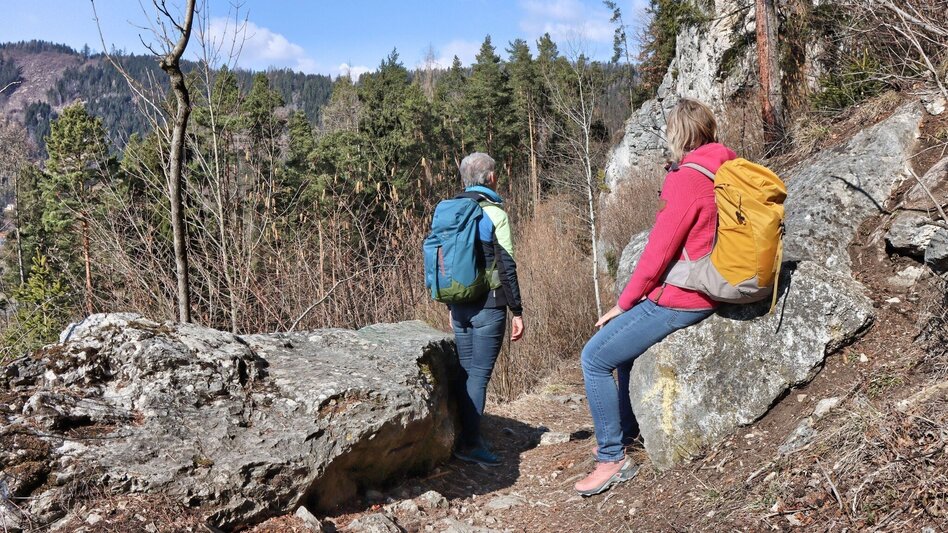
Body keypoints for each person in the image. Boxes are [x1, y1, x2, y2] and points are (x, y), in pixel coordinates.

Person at [575, 99, 733, 496]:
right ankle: (628, 431)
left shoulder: (688, 178)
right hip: (714, 284)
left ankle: (612, 458)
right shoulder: (727, 165)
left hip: (684, 297)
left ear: (677, 134)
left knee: (594, 358)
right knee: (622, 353)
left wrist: (624, 303)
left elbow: (658, 253)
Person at [449, 152, 525, 467]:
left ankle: (461, 437)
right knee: (478, 376)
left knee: (466, 373)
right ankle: (471, 444)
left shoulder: (451, 211)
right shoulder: (494, 214)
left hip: (458, 304)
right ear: (491, 178)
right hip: (488, 306)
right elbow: (506, 266)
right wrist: (517, 310)